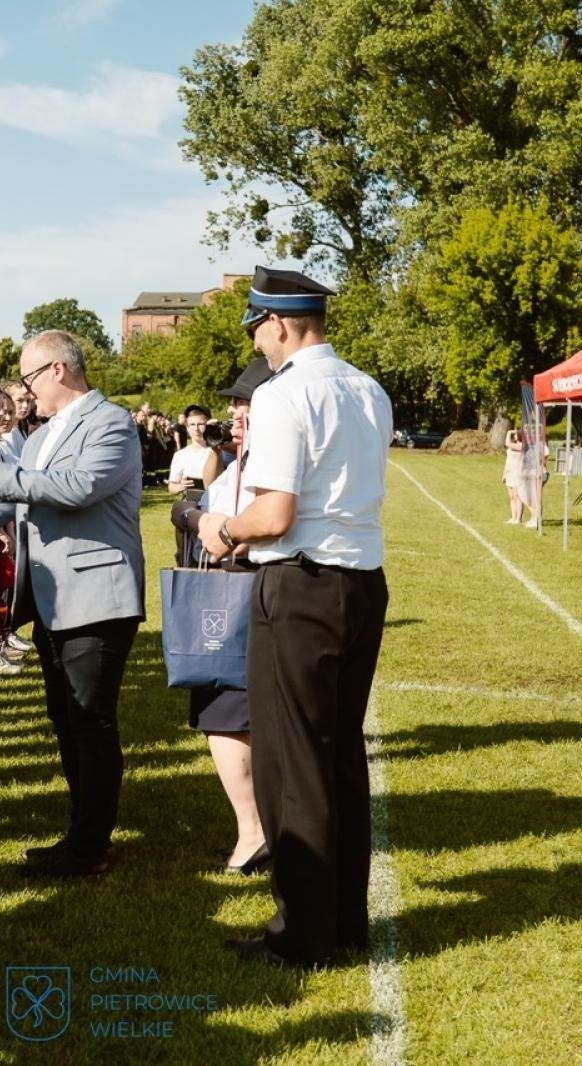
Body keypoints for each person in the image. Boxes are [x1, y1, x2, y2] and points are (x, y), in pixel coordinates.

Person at [197, 266, 390, 969]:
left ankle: (304, 932)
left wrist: (221, 528)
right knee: (338, 757)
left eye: (257, 330)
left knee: (293, 764)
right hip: (361, 581)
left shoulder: (285, 395)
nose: (259, 344)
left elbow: (274, 514)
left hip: (302, 585)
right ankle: (343, 921)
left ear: (277, 322)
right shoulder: (368, 388)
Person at [0, 330, 145, 879]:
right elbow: (0, 501)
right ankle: (82, 835)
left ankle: (89, 847)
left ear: (58, 371)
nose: (25, 390)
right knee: (67, 719)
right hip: (53, 598)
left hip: (97, 598)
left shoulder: (110, 423)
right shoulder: (41, 437)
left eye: (29, 377)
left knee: (91, 721)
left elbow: (79, 486)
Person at [170, 357, 274, 875]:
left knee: (225, 714)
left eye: (245, 402)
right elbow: (198, 508)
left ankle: (254, 832)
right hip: (246, 587)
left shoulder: (263, 460)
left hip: (245, 588)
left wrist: (202, 518)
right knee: (234, 714)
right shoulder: (240, 458)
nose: (234, 411)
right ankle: (258, 828)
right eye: (234, 402)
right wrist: (192, 514)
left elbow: (239, 522)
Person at [167, 404, 216, 494]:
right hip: (192, 502)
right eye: (192, 424)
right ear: (187, 428)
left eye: (201, 424)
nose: (196, 429)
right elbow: (171, 486)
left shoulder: (217, 452)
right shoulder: (180, 455)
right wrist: (181, 486)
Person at [502, 429, 525, 524]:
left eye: (516, 434)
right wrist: (504, 473)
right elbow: (508, 460)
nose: (514, 436)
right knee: (511, 496)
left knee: (517, 496)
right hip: (510, 472)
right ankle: (513, 517)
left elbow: (507, 443)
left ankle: (518, 518)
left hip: (518, 473)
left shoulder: (522, 446)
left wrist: (508, 432)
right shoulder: (513, 445)